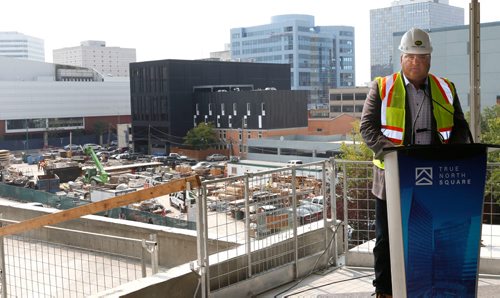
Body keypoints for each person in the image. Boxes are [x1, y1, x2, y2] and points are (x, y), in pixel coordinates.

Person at [360, 27, 472, 298]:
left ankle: (425, 286)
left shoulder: (445, 89)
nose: (415, 61)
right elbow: (368, 129)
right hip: (392, 179)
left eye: (421, 57)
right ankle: (384, 290)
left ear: (429, 59)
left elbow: (458, 127)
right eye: (410, 56)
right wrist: (395, 154)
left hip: (432, 177)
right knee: (386, 239)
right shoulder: (382, 87)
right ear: (401, 58)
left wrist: (453, 152)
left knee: (429, 234)